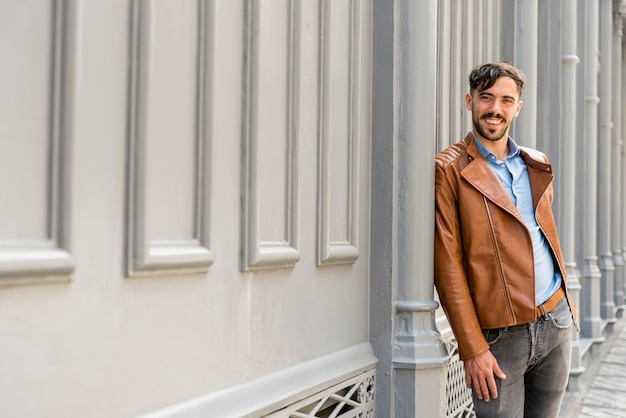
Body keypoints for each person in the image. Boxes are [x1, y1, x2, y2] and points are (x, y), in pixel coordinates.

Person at [434, 61, 578, 418]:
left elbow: (542, 237)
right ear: (470, 101)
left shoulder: (536, 162)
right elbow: (447, 266)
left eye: (505, 100)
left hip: (556, 320)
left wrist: (566, 307)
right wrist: (471, 348)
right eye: (486, 98)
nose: (495, 109)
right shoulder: (449, 170)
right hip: (500, 340)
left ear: (517, 107)